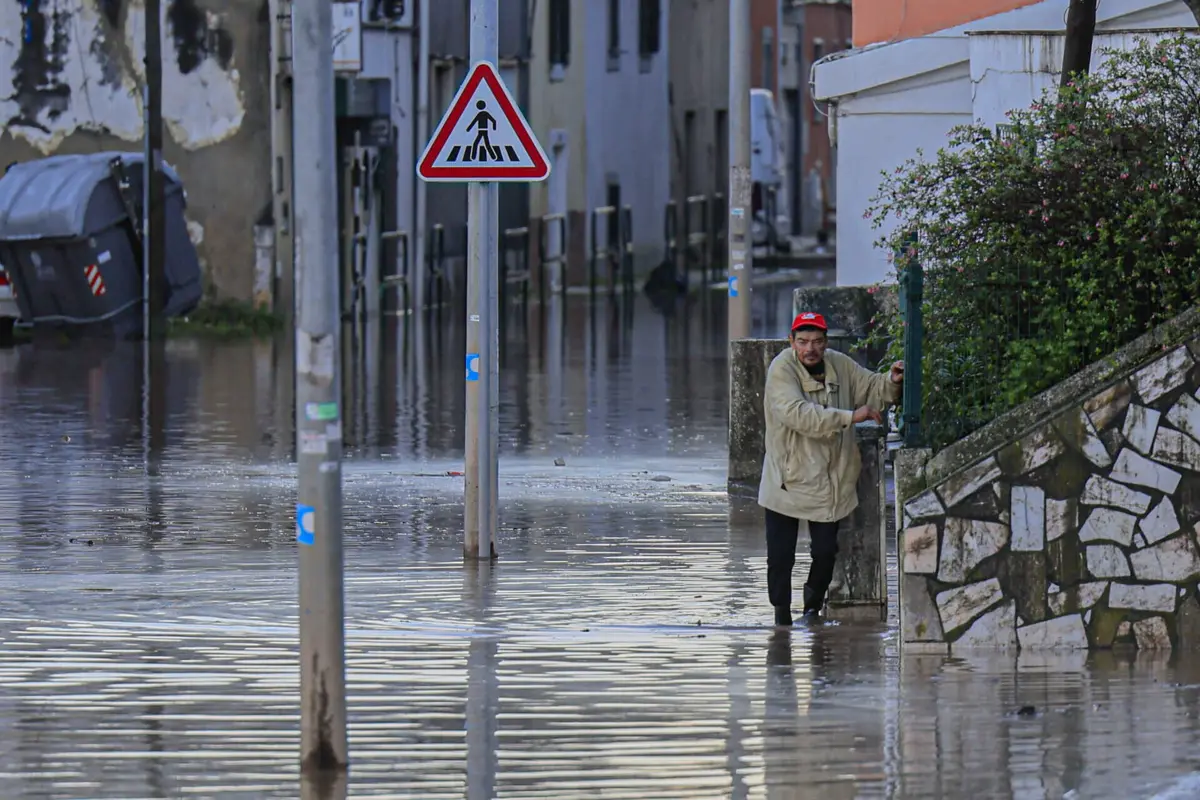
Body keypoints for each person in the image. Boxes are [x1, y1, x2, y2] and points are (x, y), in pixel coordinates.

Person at [759, 312, 904, 626]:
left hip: (830, 479)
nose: (810, 348)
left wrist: (892, 380)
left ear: (825, 342)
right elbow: (799, 415)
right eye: (803, 341)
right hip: (786, 477)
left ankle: (811, 611)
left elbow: (872, 387)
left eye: (816, 341)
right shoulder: (781, 369)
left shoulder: (841, 364)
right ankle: (781, 620)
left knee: (825, 551)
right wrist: (851, 416)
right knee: (780, 558)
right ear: (791, 342)